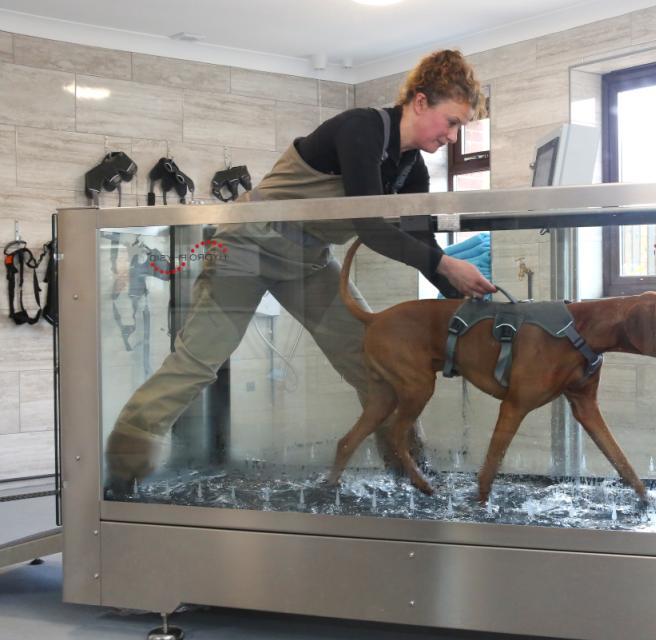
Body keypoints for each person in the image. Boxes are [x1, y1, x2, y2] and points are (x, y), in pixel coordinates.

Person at [105, 49, 496, 493]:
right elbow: (372, 228)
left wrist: (469, 303)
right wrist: (447, 264)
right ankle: (123, 469)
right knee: (200, 358)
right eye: (452, 122)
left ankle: (410, 471)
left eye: (460, 127)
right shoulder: (362, 129)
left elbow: (420, 244)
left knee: (375, 360)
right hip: (247, 245)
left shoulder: (413, 171)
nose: (452, 136)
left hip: (309, 261)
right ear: (420, 102)